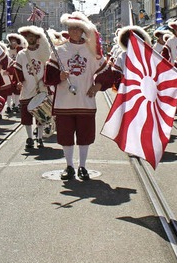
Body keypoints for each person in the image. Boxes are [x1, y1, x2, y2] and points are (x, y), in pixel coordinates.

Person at [43, 11, 112, 181]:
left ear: (83, 31)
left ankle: (82, 166)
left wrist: (97, 85)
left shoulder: (91, 50)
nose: (74, 31)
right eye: (71, 28)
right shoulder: (59, 50)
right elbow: (48, 77)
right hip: (64, 102)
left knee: (84, 136)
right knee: (66, 136)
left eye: (77, 29)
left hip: (85, 101)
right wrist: (58, 76)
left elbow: (107, 71)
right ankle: (69, 166)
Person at [10, 25, 52, 149]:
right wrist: (19, 82)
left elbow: (48, 69)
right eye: (28, 37)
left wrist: (45, 81)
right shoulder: (22, 54)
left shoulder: (44, 52)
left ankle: (39, 138)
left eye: (32, 36)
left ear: (36, 38)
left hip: (40, 87)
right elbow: (17, 71)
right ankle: (29, 138)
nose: (30, 38)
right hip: (27, 88)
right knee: (26, 116)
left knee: (41, 114)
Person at [3, 33, 27, 116]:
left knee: (16, 89)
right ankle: (9, 106)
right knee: (9, 90)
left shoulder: (20, 50)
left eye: (15, 41)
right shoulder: (6, 50)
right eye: (11, 41)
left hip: (17, 71)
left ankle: (16, 105)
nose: (13, 42)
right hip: (8, 72)